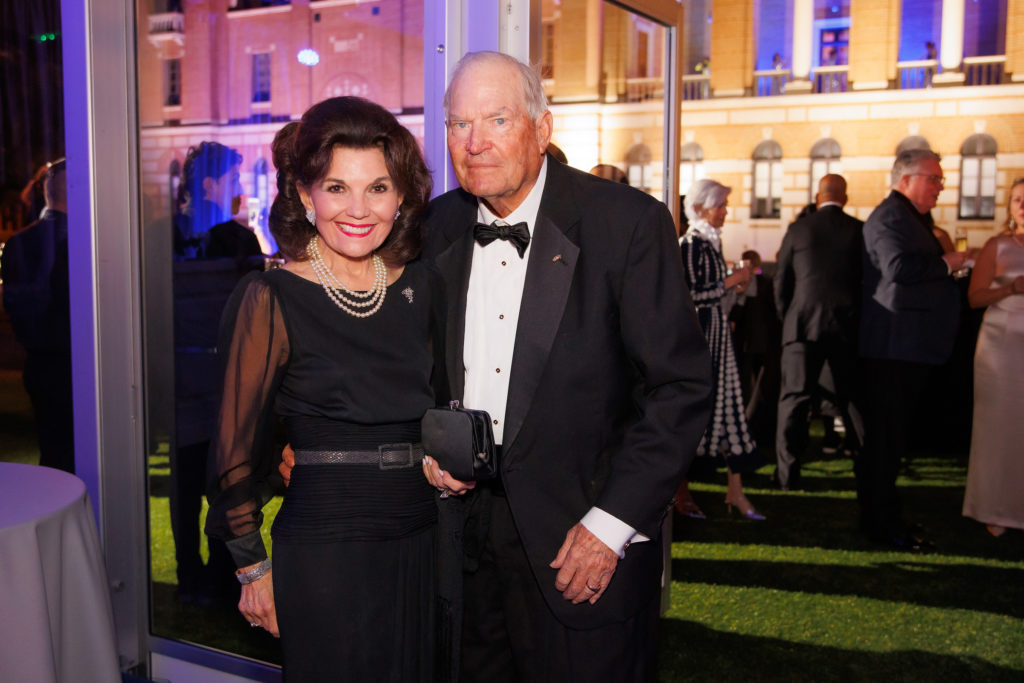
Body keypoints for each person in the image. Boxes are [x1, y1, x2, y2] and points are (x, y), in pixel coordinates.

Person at [420, 51, 712, 681]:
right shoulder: (436, 226)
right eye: (458, 124)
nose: (474, 143)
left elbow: (679, 388)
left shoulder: (625, 223)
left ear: (541, 128)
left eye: (496, 120)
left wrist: (611, 525)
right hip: (462, 547)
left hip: (582, 543)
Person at [205, 96, 442, 680]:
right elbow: (232, 453)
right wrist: (252, 570)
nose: (358, 209)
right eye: (337, 188)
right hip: (325, 549)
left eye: (378, 188)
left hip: (423, 542)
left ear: (402, 197)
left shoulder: (423, 288)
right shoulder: (271, 298)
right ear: (307, 197)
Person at [858, 149, 974, 550]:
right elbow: (897, 269)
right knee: (885, 444)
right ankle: (882, 526)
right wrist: (948, 263)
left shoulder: (908, 218)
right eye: (934, 179)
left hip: (907, 347)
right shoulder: (890, 218)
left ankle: (887, 520)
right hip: (894, 348)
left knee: (891, 443)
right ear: (905, 179)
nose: (940, 187)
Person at [677, 178, 764, 520]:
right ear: (699, 209)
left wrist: (734, 285)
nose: (725, 212)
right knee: (700, 409)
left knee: (729, 408)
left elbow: (712, 294)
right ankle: (683, 491)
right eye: (720, 205)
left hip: (716, 335)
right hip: (701, 337)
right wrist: (731, 281)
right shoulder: (691, 244)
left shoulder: (709, 242)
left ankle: (735, 491)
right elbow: (690, 295)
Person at [774, 174, 864, 490]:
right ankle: (865, 470)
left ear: (817, 196)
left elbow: (781, 281)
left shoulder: (799, 228)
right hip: (846, 327)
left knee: (794, 400)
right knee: (851, 402)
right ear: (845, 196)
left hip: (801, 327)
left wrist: (789, 319)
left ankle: (787, 475)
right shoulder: (858, 230)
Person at [1, 158, 74, 473]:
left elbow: (16, 305)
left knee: (53, 450)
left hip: (39, 364)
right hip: (73, 363)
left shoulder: (19, 242)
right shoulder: (81, 241)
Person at [962, 177, 1024, 537]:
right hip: (1000, 346)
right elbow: (974, 297)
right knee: (998, 427)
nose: (1021, 205)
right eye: (1016, 199)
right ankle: (993, 508)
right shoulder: (997, 245)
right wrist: (1010, 288)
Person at [728, 249, 781, 459]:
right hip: (747, 344)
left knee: (759, 388)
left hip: (760, 344)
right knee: (745, 388)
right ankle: (746, 427)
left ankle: (757, 428)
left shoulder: (763, 283)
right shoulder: (743, 286)